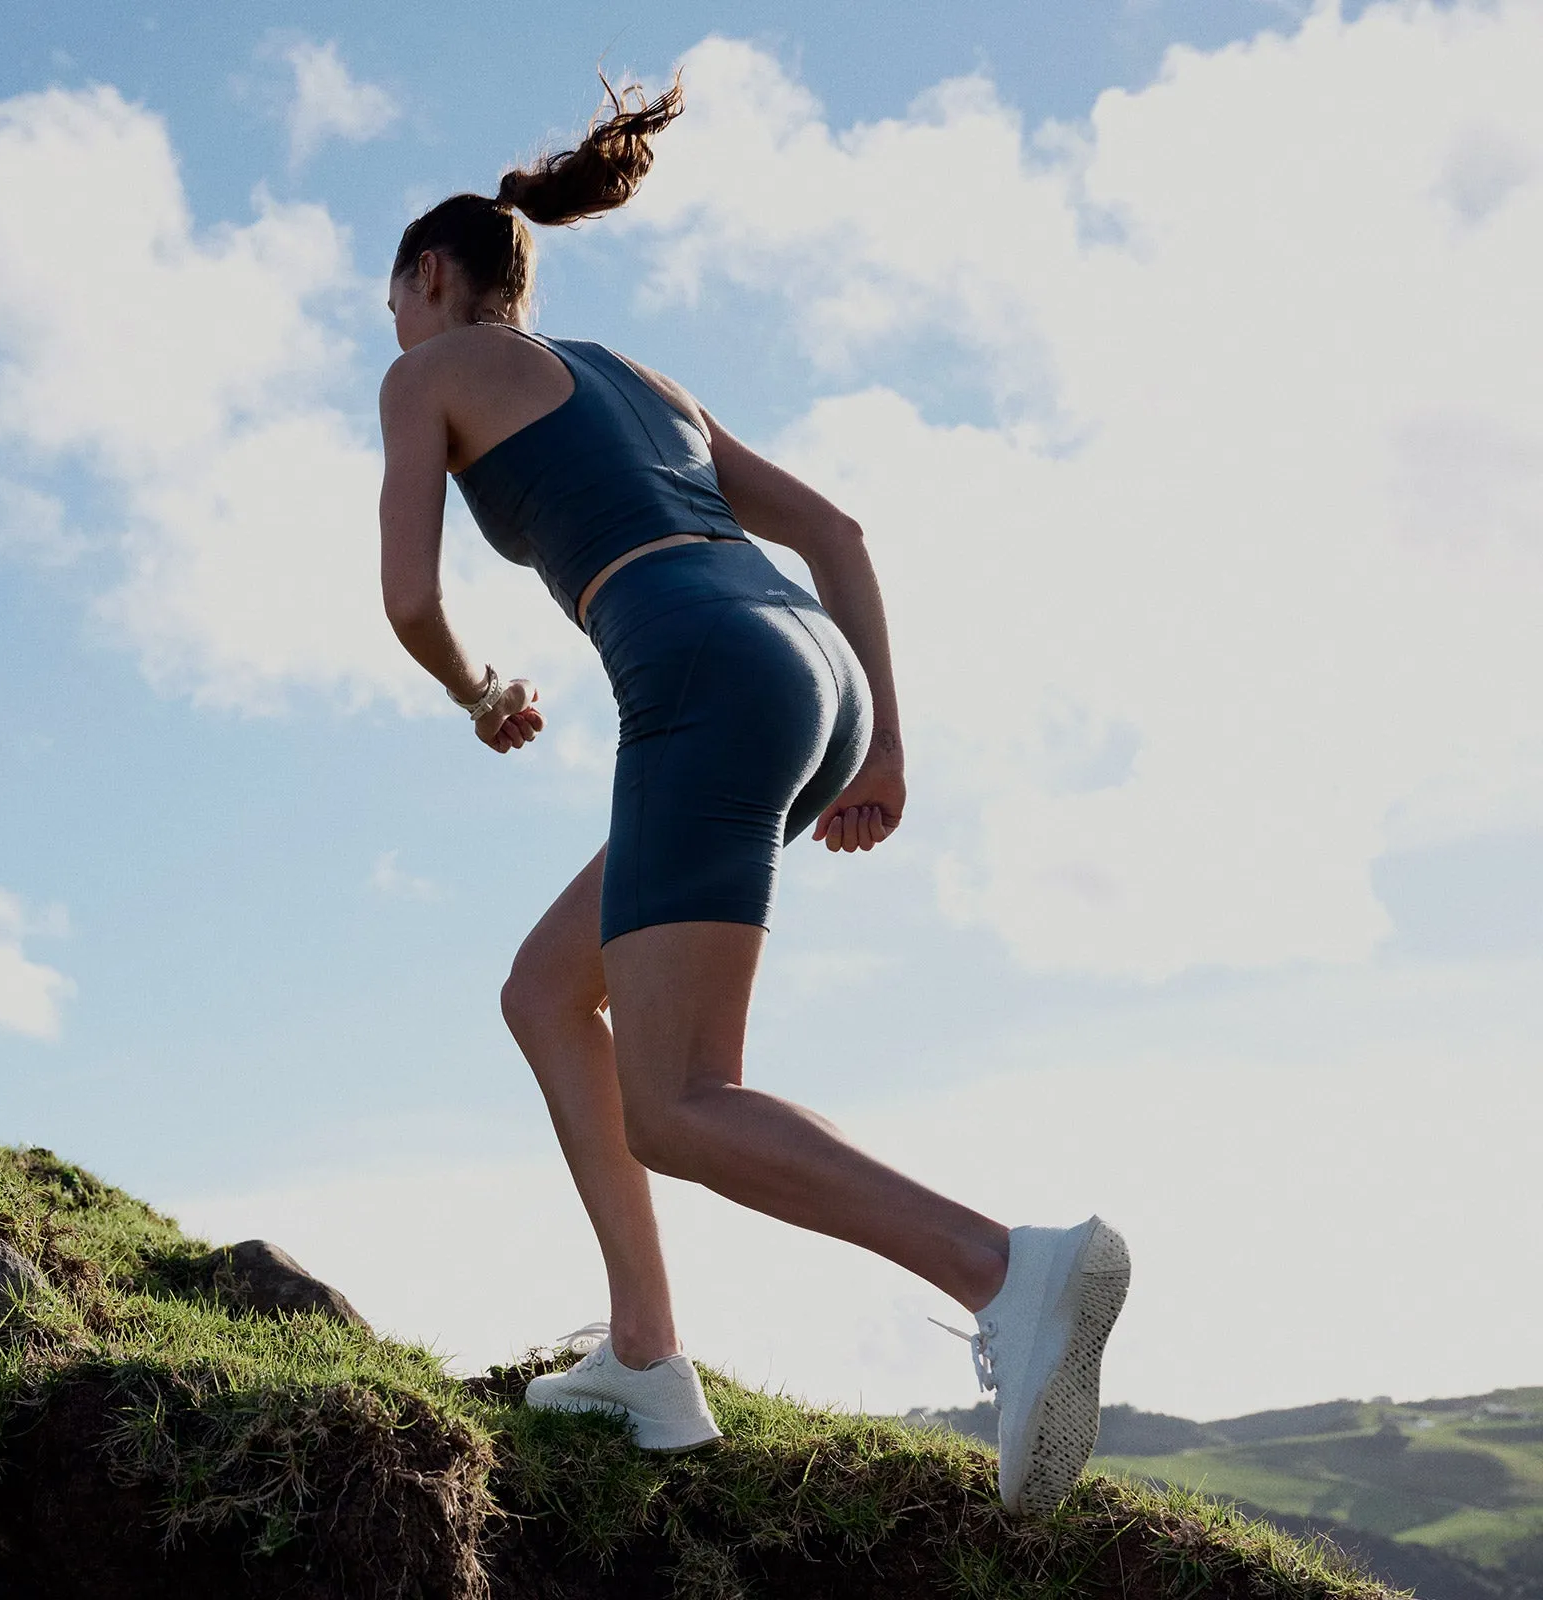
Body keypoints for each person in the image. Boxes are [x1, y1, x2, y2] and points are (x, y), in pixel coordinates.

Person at [376, 73, 1130, 1517]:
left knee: (677, 1098)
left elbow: (411, 598)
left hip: (703, 670)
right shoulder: (651, 381)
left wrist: (481, 693)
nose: (395, 334)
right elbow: (839, 531)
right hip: (809, 666)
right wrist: (887, 744)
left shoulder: (429, 374)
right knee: (547, 990)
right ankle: (649, 1353)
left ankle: (1007, 1270)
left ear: (432, 278)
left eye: (394, 302)